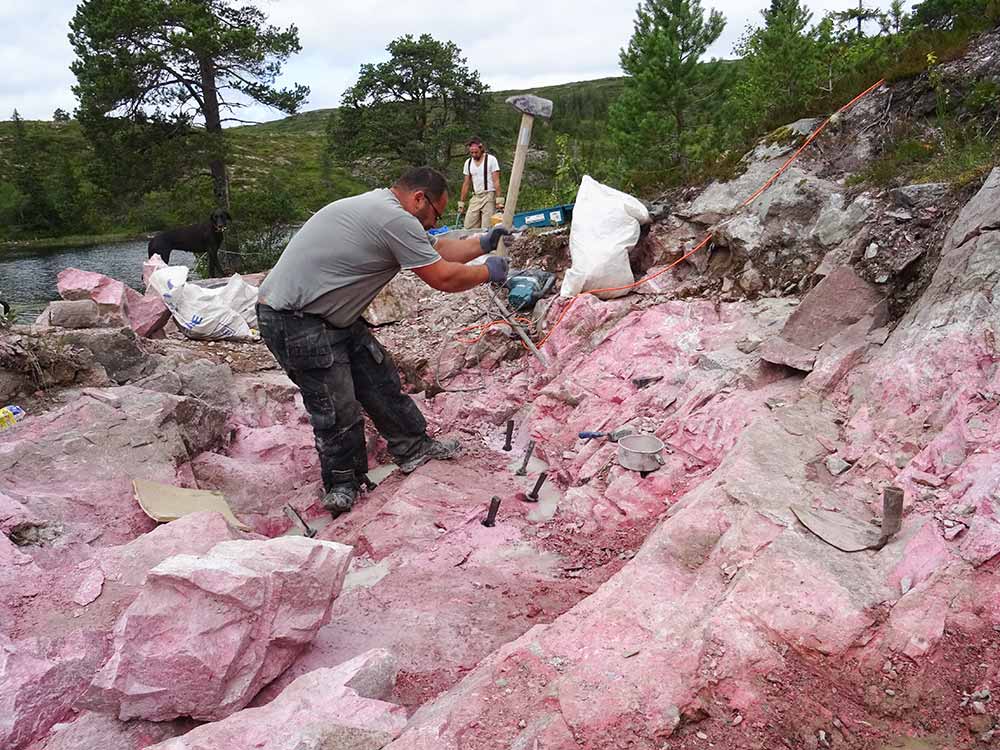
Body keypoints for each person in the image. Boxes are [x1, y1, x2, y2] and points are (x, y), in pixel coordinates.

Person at [257, 167, 510, 518]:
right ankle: (343, 483)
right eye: (436, 213)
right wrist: (489, 271)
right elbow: (442, 277)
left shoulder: (387, 209)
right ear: (419, 198)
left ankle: (413, 446)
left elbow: (439, 250)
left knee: (379, 378)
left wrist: (483, 243)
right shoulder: (395, 219)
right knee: (336, 404)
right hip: (294, 319)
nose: (432, 222)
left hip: (327, 315)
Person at [458, 137, 503, 229]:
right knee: (468, 226)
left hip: (489, 195)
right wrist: (461, 203)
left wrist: (499, 200)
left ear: (481, 148)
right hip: (476, 196)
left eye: (476, 152)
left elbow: (496, 180)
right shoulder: (468, 162)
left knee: (486, 227)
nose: (474, 154)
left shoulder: (491, 160)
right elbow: (466, 183)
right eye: (472, 152)